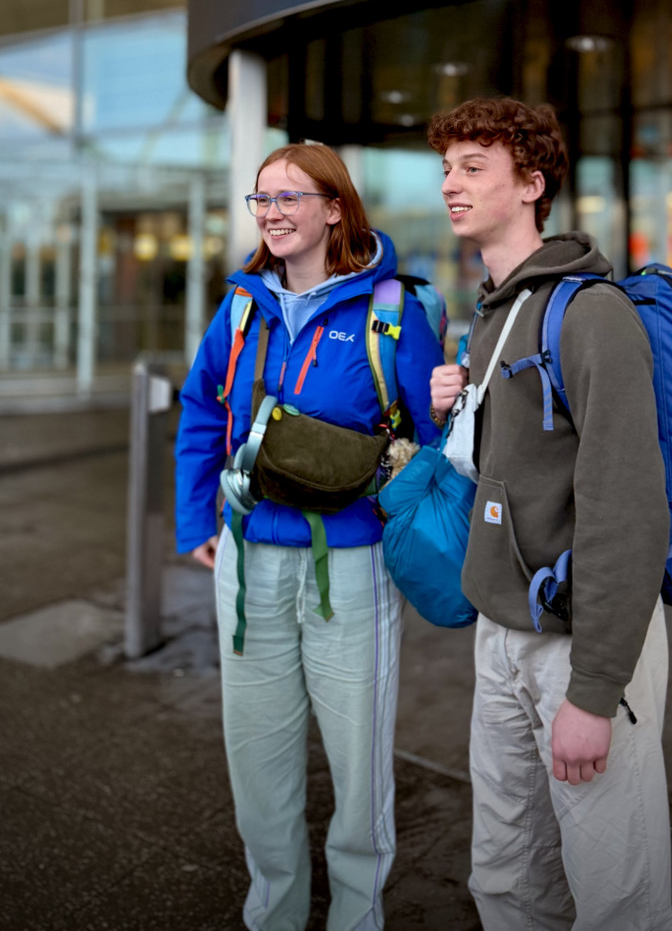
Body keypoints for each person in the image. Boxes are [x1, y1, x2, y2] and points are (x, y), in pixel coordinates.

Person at [175, 143, 443, 931]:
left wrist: (449, 406)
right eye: (263, 198)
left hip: (351, 570)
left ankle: (358, 916)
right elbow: (200, 412)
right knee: (256, 762)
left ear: (336, 207)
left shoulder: (394, 309)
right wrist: (198, 521)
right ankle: (275, 913)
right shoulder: (241, 307)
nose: (274, 211)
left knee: (359, 771)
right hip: (249, 564)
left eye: (292, 196)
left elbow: (431, 442)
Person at [426, 98, 672, 931]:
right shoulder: (493, 311)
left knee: (616, 894)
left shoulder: (592, 313)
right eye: (446, 169)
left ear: (532, 184)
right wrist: (455, 414)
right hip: (501, 634)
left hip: (582, 644)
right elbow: (506, 474)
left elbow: (628, 506)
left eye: (472, 167)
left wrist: (595, 693)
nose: (450, 186)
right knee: (504, 876)